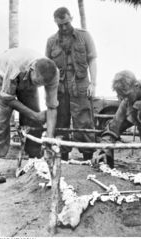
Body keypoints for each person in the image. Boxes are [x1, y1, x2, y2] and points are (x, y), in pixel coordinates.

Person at [0, 47, 59, 183]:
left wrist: (50, 138)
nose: (40, 86)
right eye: (37, 82)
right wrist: (34, 115)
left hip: (25, 76)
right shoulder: (15, 65)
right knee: (1, 118)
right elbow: (8, 98)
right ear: (33, 69)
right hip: (2, 73)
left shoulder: (53, 74)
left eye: (43, 85)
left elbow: (52, 107)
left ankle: (34, 159)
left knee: (35, 114)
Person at [46, 7, 97, 161]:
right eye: (60, 25)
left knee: (84, 121)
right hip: (60, 87)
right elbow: (47, 67)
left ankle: (88, 156)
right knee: (61, 121)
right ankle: (63, 158)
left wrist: (93, 83)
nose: (63, 28)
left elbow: (92, 59)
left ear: (71, 18)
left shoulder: (84, 36)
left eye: (66, 24)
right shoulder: (51, 41)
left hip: (80, 84)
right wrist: (49, 92)